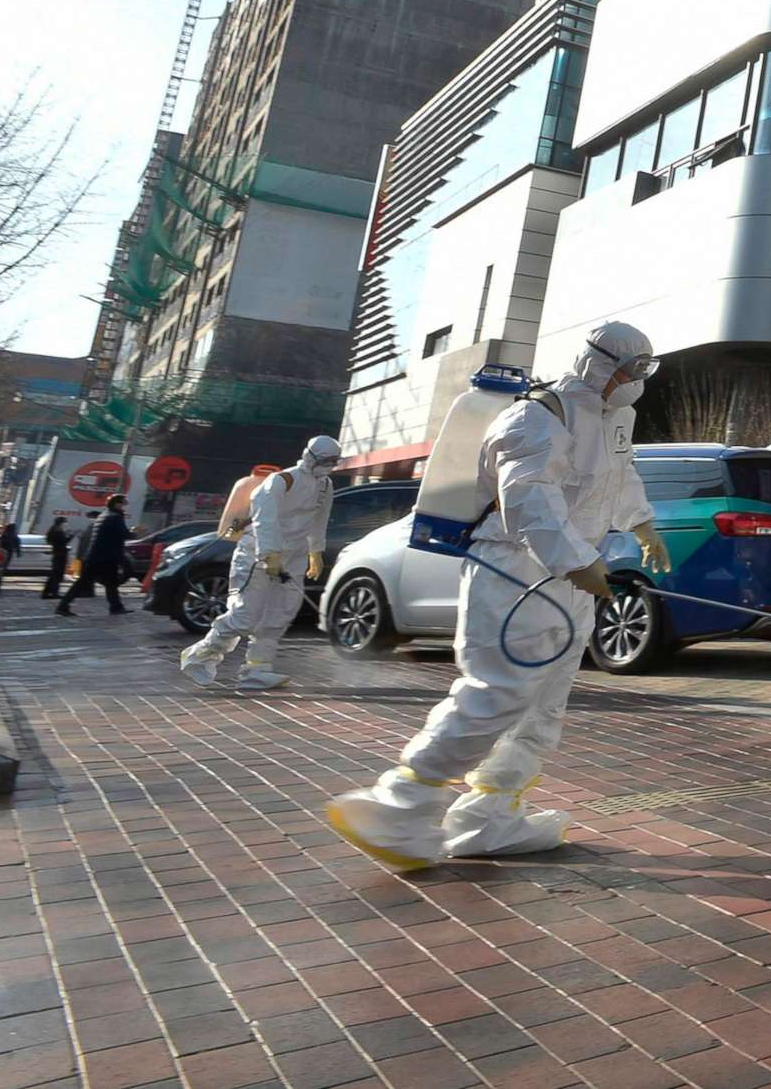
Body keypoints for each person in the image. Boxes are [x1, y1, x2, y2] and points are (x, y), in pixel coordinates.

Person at [326, 322, 670, 870]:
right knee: (499, 691)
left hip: (568, 576)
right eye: (632, 369)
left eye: (645, 370)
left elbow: (619, 480)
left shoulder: (614, 422)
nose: (637, 381)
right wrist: (579, 563)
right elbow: (528, 499)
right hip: (511, 570)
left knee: (542, 705)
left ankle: (490, 814)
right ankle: (400, 804)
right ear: (600, 364)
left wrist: (644, 526)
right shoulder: (535, 417)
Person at [179, 437, 342, 690]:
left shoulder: (325, 485)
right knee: (245, 615)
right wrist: (270, 553)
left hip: (293, 555)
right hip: (256, 554)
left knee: (280, 613)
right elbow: (263, 517)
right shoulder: (281, 481)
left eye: (333, 462)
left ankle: (257, 668)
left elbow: (319, 518)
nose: (328, 466)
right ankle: (199, 654)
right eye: (325, 461)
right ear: (310, 456)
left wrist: (315, 552)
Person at [57, 497, 133, 616]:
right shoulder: (115, 517)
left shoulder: (104, 515)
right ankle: (63, 606)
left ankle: (116, 607)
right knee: (88, 583)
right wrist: (134, 532)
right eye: (122, 504)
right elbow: (123, 534)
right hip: (106, 557)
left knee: (109, 583)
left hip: (96, 555)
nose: (123, 507)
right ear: (116, 504)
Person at [40, 514, 70, 599]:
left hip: (57, 554)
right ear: (61, 523)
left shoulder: (53, 530)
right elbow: (63, 542)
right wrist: (70, 536)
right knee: (57, 575)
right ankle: (53, 593)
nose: (66, 524)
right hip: (60, 555)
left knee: (54, 575)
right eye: (65, 523)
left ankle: (47, 592)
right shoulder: (58, 531)